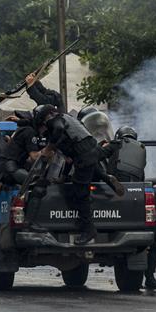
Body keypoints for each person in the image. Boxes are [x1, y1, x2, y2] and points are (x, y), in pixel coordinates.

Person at [33, 104, 101, 245]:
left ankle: (88, 230)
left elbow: (58, 128)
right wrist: (63, 177)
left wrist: (49, 147)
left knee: (80, 193)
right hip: (91, 152)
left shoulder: (55, 120)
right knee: (92, 175)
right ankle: (107, 178)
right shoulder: (68, 120)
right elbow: (69, 159)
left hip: (85, 156)